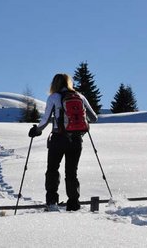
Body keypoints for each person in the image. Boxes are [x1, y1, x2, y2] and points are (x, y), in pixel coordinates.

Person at [28, 73, 98, 211]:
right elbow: (94, 118)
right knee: (71, 173)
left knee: (52, 170)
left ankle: (52, 202)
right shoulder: (80, 96)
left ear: (54, 84)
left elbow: (46, 119)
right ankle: (73, 204)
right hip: (76, 140)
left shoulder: (54, 97)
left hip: (58, 139)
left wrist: (37, 131)